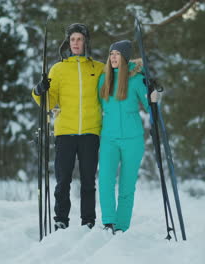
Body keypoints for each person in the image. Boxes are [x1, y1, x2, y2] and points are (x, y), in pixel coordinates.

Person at [32, 23, 105, 230]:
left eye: (79, 39)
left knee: (88, 181)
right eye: (72, 39)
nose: (75, 43)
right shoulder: (58, 68)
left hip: (90, 131)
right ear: (67, 42)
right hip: (65, 132)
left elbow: (114, 84)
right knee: (63, 180)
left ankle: (88, 221)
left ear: (86, 42)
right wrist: (39, 91)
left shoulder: (98, 68)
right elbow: (49, 100)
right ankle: (61, 219)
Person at [97, 40, 158, 234]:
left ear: (125, 57)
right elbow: (94, 105)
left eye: (117, 54)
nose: (113, 57)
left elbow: (151, 106)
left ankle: (122, 226)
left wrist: (154, 100)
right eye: (111, 54)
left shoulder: (136, 79)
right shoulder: (103, 79)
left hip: (133, 140)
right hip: (109, 139)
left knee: (126, 185)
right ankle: (108, 222)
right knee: (105, 181)